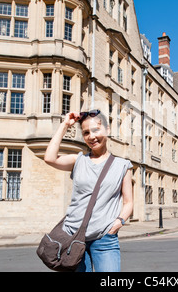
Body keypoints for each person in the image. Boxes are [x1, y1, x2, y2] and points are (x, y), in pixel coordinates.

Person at [44, 110, 133, 272]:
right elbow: (50, 157)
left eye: (96, 130)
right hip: (73, 237)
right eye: (86, 133)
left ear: (107, 130)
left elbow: (128, 202)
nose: (91, 137)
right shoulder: (78, 160)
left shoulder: (123, 166)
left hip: (104, 239)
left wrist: (117, 224)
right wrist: (65, 125)